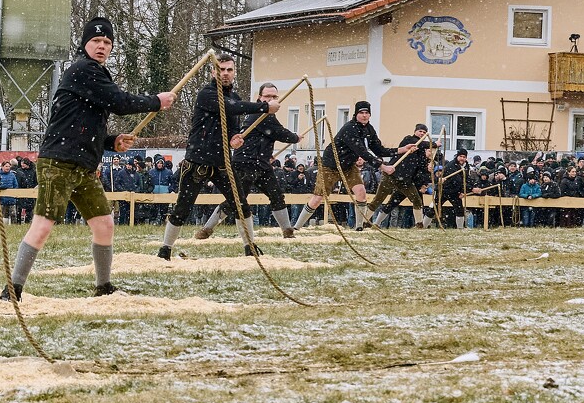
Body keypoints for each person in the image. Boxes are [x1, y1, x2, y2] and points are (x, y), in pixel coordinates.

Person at [0, 17, 174, 300]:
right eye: (96, 41)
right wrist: (156, 101)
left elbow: (88, 124)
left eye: (107, 42)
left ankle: (103, 287)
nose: (102, 46)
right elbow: (120, 102)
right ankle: (12, 289)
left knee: (104, 223)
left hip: (84, 166)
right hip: (59, 162)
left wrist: (111, 141)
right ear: (85, 45)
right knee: (43, 225)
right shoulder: (84, 70)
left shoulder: (97, 76)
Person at [159, 54, 276, 259]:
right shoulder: (206, 94)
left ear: (234, 72)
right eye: (221, 69)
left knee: (240, 203)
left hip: (222, 162)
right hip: (197, 161)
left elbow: (232, 127)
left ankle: (250, 246)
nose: (225, 73)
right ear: (213, 71)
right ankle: (165, 248)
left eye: (229, 70)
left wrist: (234, 139)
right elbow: (230, 108)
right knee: (182, 208)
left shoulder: (235, 97)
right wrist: (264, 107)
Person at [194, 80, 301, 240]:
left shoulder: (266, 115)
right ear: (259, 98)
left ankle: (288, 231)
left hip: (261, 165)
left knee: (276, 196)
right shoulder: (261, 114)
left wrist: (266, 153)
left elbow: (265, 136)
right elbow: (280, 133)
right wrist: (296, 138)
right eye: (267, 96)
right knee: (235, 201)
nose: (271, 99)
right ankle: (206, 230)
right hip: (245, 165)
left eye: (274, 96)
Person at [292, 100, 412, 231]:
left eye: (367, 113)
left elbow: (379, 150)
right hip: (331, 165)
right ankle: (297, 227)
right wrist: (382, 167)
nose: (364, 115)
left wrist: (401, 149)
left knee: (361, 192)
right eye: (361, 112)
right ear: (356, 114)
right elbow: (362, 152)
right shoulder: (349, 128)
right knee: (317, 198)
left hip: (348, 165)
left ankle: (359, 227)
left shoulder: (369, 129)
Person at [369, 124, 435, 228]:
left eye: (424, 132)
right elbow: (419, 143)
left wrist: (428, 169)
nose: (421, 133)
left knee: (417, 201)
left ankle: (419, 225)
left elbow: (421, 168)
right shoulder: (408, 139)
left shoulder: (422, 151)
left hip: (406, 180)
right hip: (393, 174)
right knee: (379, 199)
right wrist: (434, 144)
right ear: (415, 131)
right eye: (420, 131)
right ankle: (365, 222)